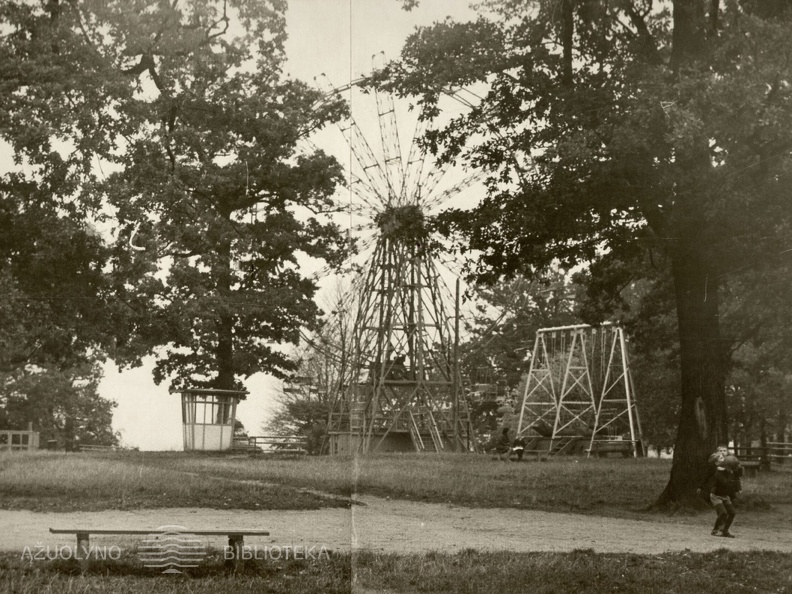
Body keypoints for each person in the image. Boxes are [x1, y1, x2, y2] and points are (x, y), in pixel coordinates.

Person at [699, 454, 742, 538]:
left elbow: (738, 476)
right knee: (723, 513)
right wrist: (729, 473)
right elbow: (726, 483)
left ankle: (725, 531)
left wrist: (735, 474)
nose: (734, 469)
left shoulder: (728, 471)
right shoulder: (719, 473)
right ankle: (715, 529)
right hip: (716, 495)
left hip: (725, 495)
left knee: (732, 513)